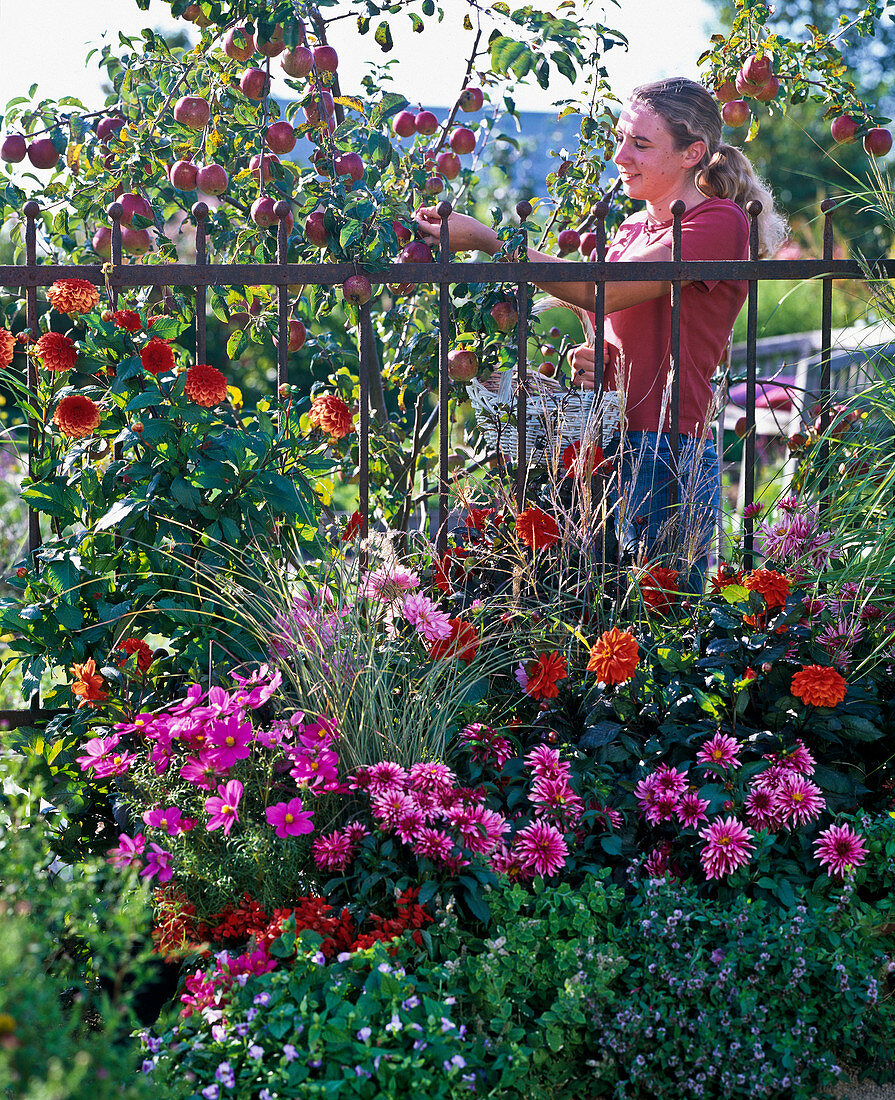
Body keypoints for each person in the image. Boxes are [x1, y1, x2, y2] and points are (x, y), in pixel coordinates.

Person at [415, 76, 786, 590]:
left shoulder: (719, 222)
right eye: (620, 138)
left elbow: (603, 292)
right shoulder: (632, 229)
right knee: (595, 610)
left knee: (659, 617)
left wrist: (491, 242)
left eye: (640, 143)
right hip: (603, 439)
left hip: (666, 444)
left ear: (691, 153)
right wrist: (603, 360)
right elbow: (610, 315)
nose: (620, 156)